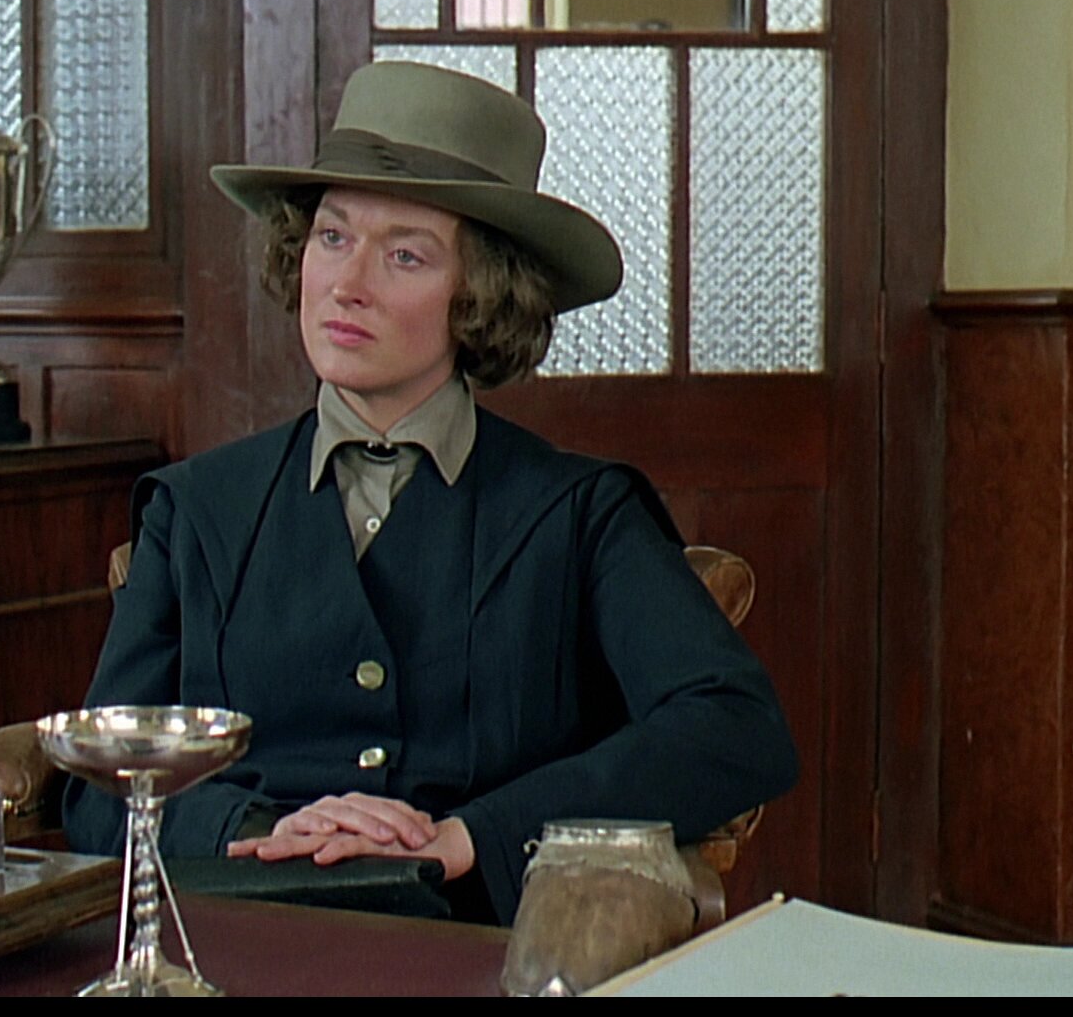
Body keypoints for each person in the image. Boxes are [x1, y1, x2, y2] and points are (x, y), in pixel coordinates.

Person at [63, 61, 798, 924]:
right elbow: (98, 792)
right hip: (237, 943)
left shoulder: (579, 513)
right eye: (332, 237)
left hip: (485, 951)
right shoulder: (195, 509)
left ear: (480, 296)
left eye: (405, 255)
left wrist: (474, 836)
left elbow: (735, 729)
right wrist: (259, 828)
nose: (347, 284)